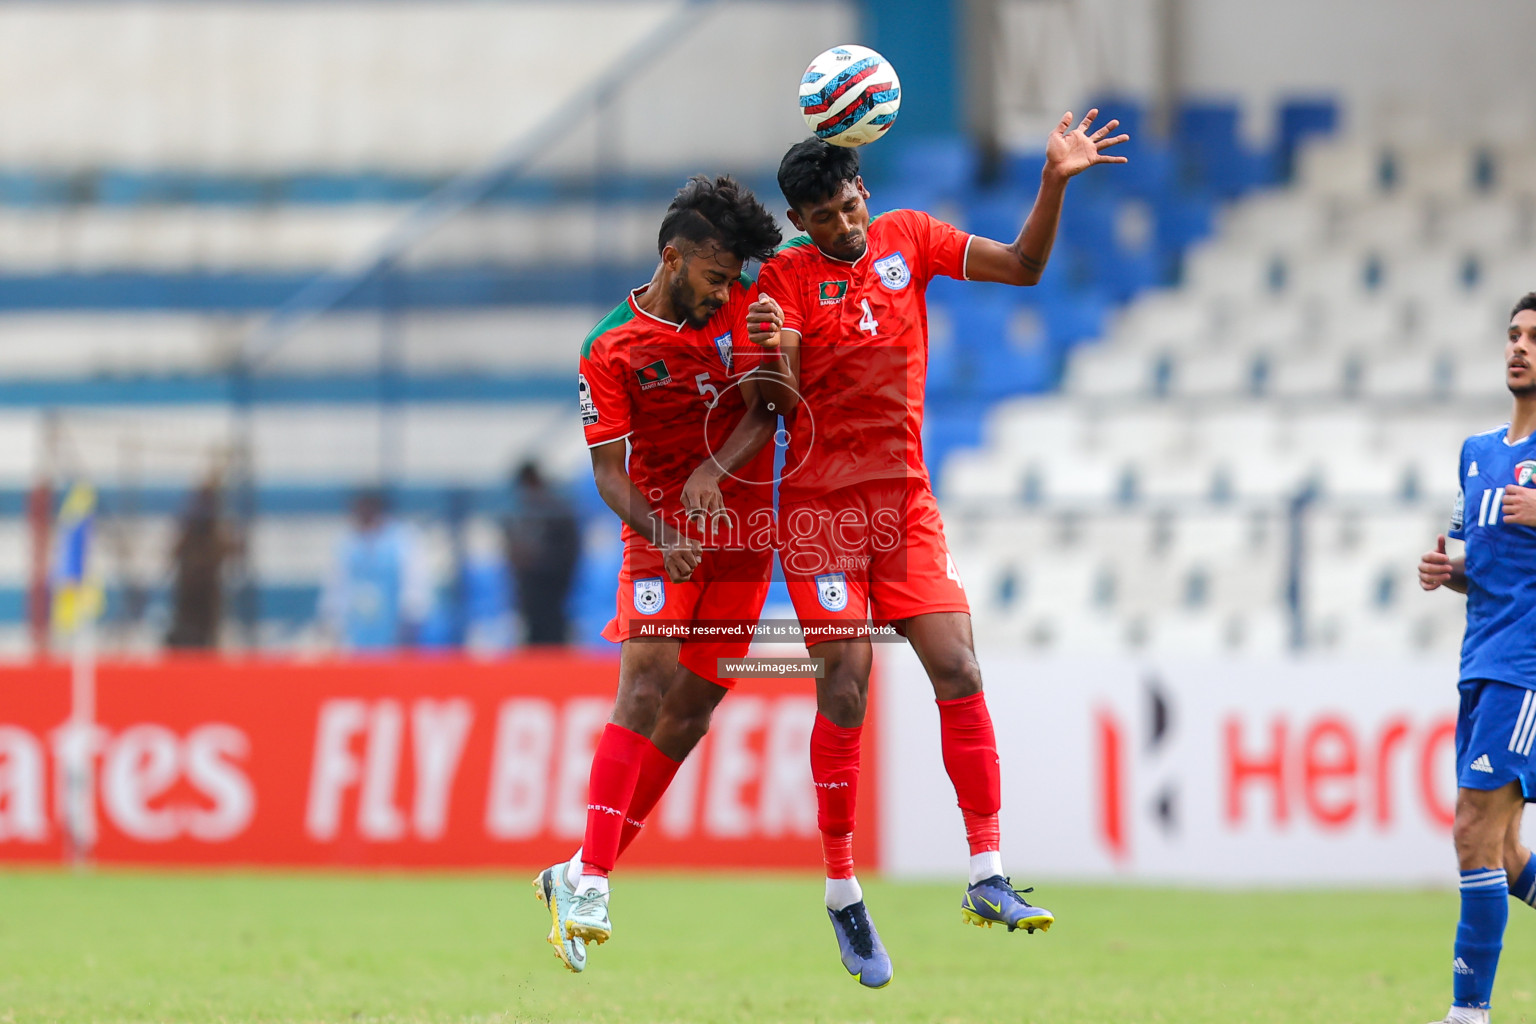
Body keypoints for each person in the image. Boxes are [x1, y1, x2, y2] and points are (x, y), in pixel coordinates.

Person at [734, 113, 1128, 986]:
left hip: (903, 505)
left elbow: (1024, 270)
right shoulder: (787, 281)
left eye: (849, 205)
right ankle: (842, 891)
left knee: (960, 669)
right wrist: (776, 351)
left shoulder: (910, 238)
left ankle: (988, 874)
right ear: (798, 222)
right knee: (846, 681)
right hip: (820, 515)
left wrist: (1054, 181)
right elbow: (780, 405)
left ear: (863, 191)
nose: (844, 224)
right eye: (824, 216)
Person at [533, 175, 784, 973]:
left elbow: (767, 406)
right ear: (673, 260)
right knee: (645, 684)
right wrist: (661, 526)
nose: (726, 292)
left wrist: (715, 470)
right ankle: (595, 882)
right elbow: (609, 472)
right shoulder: (607, 347)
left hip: (745, 530)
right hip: (660, 526)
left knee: (694, 710)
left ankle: (575, 867)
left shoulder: (745, 300)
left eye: (734, 278)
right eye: (716, 277)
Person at [1417, 292, 1536, 1024]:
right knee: (1507, 851)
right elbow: (1484, 560)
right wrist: (1449, 573)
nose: (1519, 347)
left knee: (1472, 830)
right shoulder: (1478, 452)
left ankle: (1469, 1015)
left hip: (1527, 666)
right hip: (1481, 659)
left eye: (1534, 338)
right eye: (1514, 335)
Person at [319, 489, 434, 652]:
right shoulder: (346, 543)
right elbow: (336, 587)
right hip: (356, 632)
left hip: (394, 630)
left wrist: (411, 619)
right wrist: (332, 622)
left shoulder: (402, 539)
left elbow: (415, 583)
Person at [503, 460, 580, 645]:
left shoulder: (557, 513)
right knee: (532, 635)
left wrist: (536, 561)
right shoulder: (522, 514)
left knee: (553, 635)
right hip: (529, 593)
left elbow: (570, 552)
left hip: (554, 590)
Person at [165, 473, 238, 650]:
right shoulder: (190, 529)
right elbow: (173, 554)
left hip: (207, 593)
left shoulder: (215, 532)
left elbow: (229, 550)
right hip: (189, 593)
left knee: (207, 631)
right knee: (188, 629)